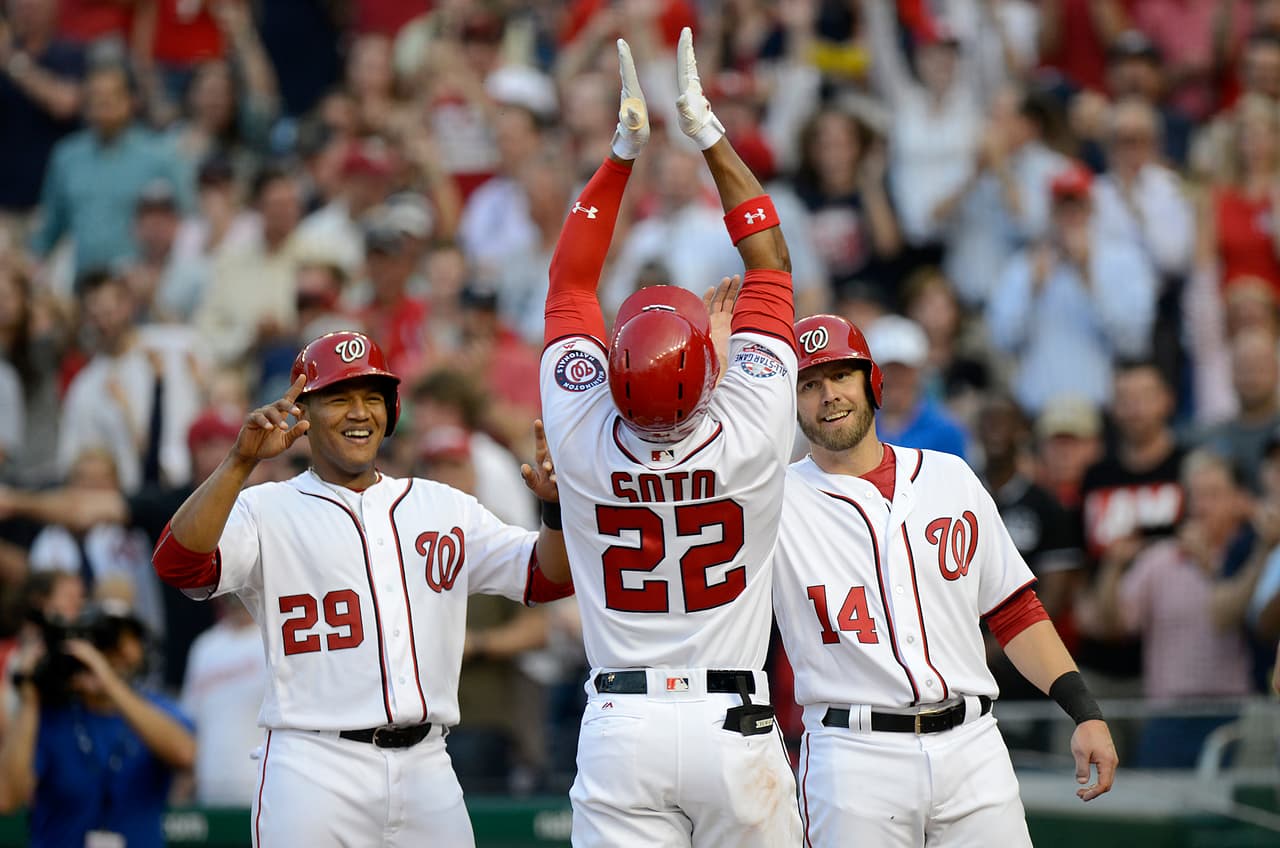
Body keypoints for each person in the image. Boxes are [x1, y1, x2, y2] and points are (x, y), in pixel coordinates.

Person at [150, 330, 572, 846]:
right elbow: (178, 565)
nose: (359, 412)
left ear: (391, 411)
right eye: (338, 398)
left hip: (427, 766)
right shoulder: (264, 508)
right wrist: (240, 463)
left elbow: (547, 576)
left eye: (372, 397)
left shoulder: (442, 505)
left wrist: (556, 511)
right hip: (313, 767)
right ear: (302, 413)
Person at [538, 32, 802, 847]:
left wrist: (622, 154)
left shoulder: (579, 432)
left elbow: (570, 280)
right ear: (709, 370)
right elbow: (770, 263)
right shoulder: (751, 426)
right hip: (734, 724)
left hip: (623, 725)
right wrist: (709, 132)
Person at [771, 313, 1118, 846]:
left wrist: (1085, 712)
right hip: (854, 757)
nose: (828, 395)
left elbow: (1013, 610)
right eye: (809, 384)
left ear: (872, 383)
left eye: (841, 375)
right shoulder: (773, 502)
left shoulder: (949, 476)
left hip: (972, 747)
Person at [0, 600, 195, 848]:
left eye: (120, 642)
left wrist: (110, 683)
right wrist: (29, 701)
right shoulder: (52, 715)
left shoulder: (155, 708)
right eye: (103, 643)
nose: (113, 653)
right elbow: (7, 798)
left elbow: (186, 754)